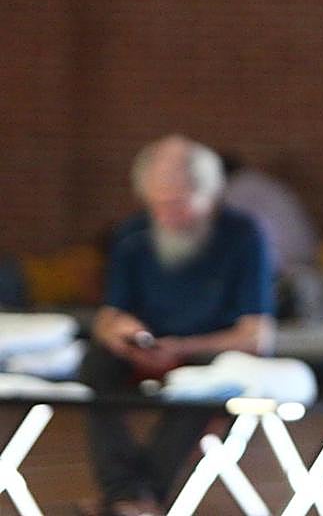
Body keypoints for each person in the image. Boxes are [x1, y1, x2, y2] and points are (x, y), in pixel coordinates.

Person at [80, 135, 275, 516]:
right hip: (146, 349)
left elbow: (256, 335)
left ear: (210, 195)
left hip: (209, 353)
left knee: (206, 381)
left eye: (179, 205)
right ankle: (129, 493)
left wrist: (184, 348)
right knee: (96, 363)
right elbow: (108, 317)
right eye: (158, 206)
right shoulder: (132, 236)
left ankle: (134, 495)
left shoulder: (243, 235)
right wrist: (123, 335)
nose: (166, 217)